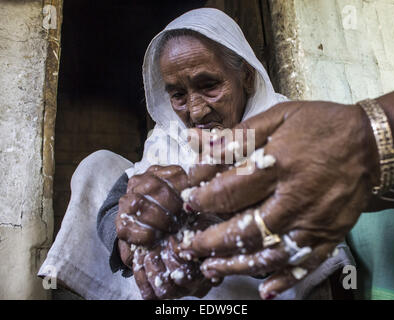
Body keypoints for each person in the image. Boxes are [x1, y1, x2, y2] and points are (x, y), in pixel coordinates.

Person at [38, 8, 362, 300]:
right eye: (178, 95)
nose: (195, 111)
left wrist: (207, 218)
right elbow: (123, 198)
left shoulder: (281, 119)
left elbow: (304, 230)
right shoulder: (168, 136)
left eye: (209, 86)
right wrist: (134, 234)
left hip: (257, 281)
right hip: (176, 280)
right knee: (100, 166)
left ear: (246, 77)